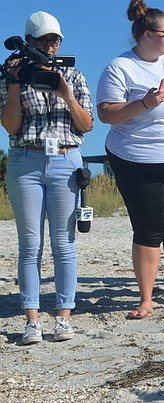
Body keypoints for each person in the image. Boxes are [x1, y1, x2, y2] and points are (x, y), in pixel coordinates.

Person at [97, 0, 164, 319]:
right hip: (136, 160)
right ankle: (145, 300)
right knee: (148, 229)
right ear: (147, 34)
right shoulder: (120, 67)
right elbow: (107, 113)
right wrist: (145, 103)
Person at [1, 11, 93, 344]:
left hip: (66, 158)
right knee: (29, 244)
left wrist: (66, 94)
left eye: (55, 40)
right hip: (26, 159)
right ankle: (32, 321)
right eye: (44, 40)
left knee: (64, 244)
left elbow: (86, 124)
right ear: (29, 43)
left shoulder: (73, 75)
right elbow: (11, 126)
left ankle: (64, 318)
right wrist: (14, 85)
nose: (51, 46)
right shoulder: (12, 75)